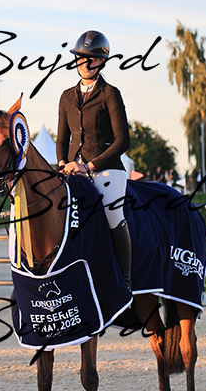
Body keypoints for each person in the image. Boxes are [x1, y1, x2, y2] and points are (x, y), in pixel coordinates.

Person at [56, 30, 132, 292]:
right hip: (72, 170)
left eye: (92, 59)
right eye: (81, 58)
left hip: (106, 170)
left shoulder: (110, 94)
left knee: (112, 214)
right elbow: (61, 139)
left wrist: (88, 166)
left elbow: (123, 141)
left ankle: (125, 280)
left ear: (102, 62)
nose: (85, 63)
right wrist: (62, 163)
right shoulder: (66, 97)